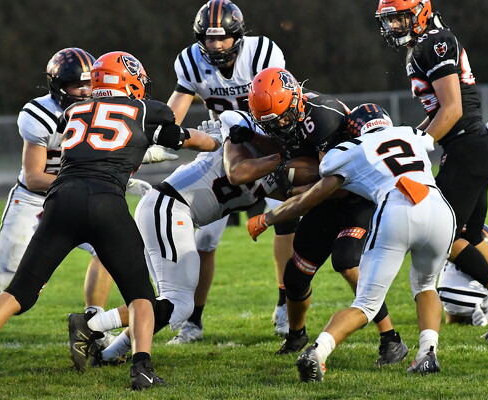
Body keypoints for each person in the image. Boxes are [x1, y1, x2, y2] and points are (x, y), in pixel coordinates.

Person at [0, 51, 219, 391]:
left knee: (18, 292)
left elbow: (97, 140)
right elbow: (187, 138)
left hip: (60, 199)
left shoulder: (72, 111)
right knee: (141, 296)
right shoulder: (146, 109)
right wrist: (217, 139)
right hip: (105, 202)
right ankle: (142, 369)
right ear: (129, 81)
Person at [247, 103, 456, 381]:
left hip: (396, 208)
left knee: (366, 305)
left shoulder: (348, 149)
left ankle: (318, 352)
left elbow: (308, 200)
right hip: (439, 207)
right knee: (426, 285)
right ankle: (427, 354)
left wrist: (268, 218)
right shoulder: (410, 133)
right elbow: (435, 129)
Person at [71, 109, 284, 366]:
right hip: (169, 208)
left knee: (171, 302)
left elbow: (297, 189)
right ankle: (91, 324)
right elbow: (234, 164)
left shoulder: (275, 169)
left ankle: (108, 355)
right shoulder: (238, 129)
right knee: (180, 303)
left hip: (170, 212)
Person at [375, 0, 488, 342]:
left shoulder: (435, 41)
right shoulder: (426, 44)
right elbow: (439, 112)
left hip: (468, 150)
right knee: (468, 236)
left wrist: (420, 146)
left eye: (399, 18)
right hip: (473, 149)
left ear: (420, 12)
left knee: (442, 235)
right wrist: (410, 137)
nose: (394, 26)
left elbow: (453, 109)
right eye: (389, 20)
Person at [245, 68, 409, 366]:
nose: (279, 126)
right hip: (328, 196)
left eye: (282, 118)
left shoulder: (323, 117)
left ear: (295, 100)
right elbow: (292, 155)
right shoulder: (287, 117)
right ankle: (296, 335)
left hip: (357, 193)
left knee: (346, 260)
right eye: (270, 123)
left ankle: (391, 339)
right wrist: (254, 138)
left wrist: (292, 192)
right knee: (295, 277)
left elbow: (332, 183)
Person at [166, 0, 292, 343]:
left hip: (268, 140)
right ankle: (193, 320)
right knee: (205, 239)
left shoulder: (262, 52)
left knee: (285, 217)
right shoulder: (190, 61)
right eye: (210, 39)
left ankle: (285, 304)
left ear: (238, 35)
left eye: (223, 38)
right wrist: (157, 135)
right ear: (200, 39)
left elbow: (282, 96)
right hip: (225, 147)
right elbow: (173, 114)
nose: (217, 45)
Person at [0, 47, 114, 329]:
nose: (86, 91)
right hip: (35, 200)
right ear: (59, 86)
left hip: (76, 196)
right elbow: (35, 177)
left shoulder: (103, 109)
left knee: (108, 247)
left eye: (90, 84)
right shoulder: (41, 114)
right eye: (78, 85)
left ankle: (92, 324)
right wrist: (87, 181)